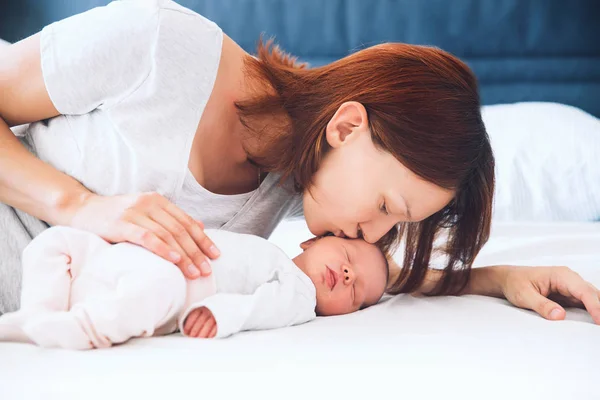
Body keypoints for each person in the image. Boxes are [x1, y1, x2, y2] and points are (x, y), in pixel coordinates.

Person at [0, 0, 598, 324]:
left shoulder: (294, 179)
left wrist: (495, 279)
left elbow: (364, 277)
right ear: (346, 125)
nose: (375, 235)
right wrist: (81, 206)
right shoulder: (158, 44)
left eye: (396, 225)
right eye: (387, 207)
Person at [0, 226, 388, 349]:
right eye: (347, 255)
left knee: (162, 283)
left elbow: (260, 308)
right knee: (57, 240)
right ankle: (38, 312)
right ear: (311, 241)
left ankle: (81, 327)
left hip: (164, 287)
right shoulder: (270, 251)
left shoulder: (299, 295)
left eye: (358, 296)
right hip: (124, 259)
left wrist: (217, 313)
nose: (349, 276)